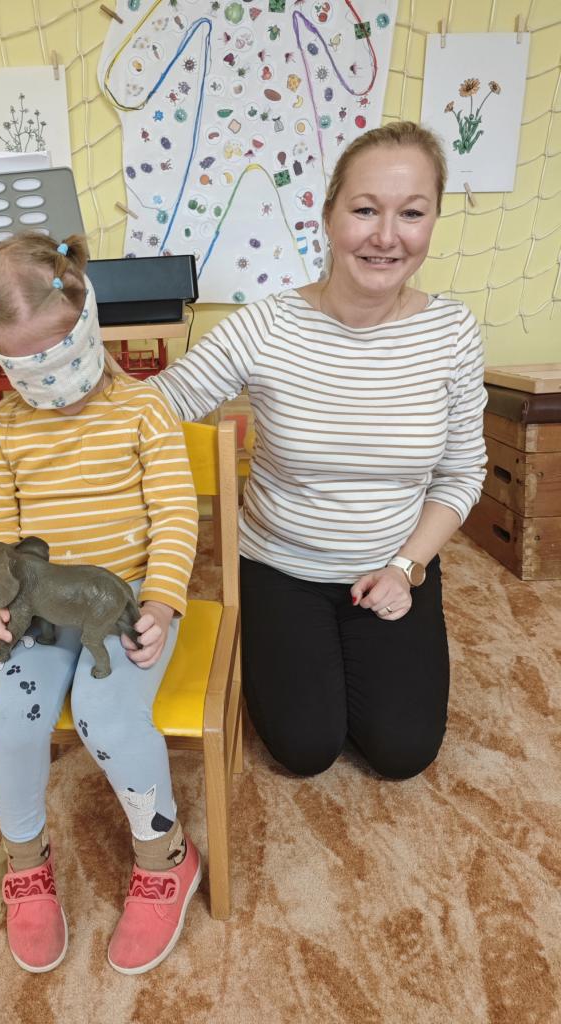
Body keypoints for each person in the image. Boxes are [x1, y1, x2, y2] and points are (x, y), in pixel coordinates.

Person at [150, 121, 487, 782]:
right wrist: (66, 379)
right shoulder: (266, 324)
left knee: (403, 752)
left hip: (393, 566)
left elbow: (461, 472)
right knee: (305, 748)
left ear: (432, 222)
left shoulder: (452, 332)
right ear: (328, 216)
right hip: (280, 566)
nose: (386, 236)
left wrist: (407, 568)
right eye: (365, 210)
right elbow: (162, 404)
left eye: (411, 213)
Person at [0, 232, 200, 975]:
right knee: (10, 717)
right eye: (26, 367)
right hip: (40, 610)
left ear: (88, 321)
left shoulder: (144, 410)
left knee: (107, 715)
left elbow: (176, 515)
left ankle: (165, 856)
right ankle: (25, 861)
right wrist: (4, 607)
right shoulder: (1, 431)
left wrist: (161, 602)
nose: (53, 383)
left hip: (122, 602)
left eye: (60, 355)